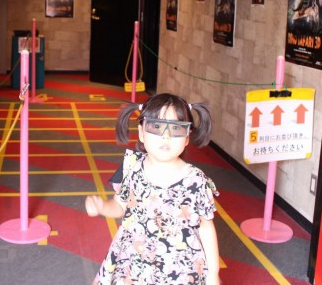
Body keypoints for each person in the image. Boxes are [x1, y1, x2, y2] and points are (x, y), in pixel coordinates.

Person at [85, 93, 221, 285]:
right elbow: (119, 205)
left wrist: (213, 273)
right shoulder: (131, 167)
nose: (166, 136)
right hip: (133, 263)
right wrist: (103, 207)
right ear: (141, 133)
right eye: (156, 127)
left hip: (179, 271)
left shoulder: (196, 180)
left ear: (187, 137)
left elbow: (206, 228)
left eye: (176, 128)